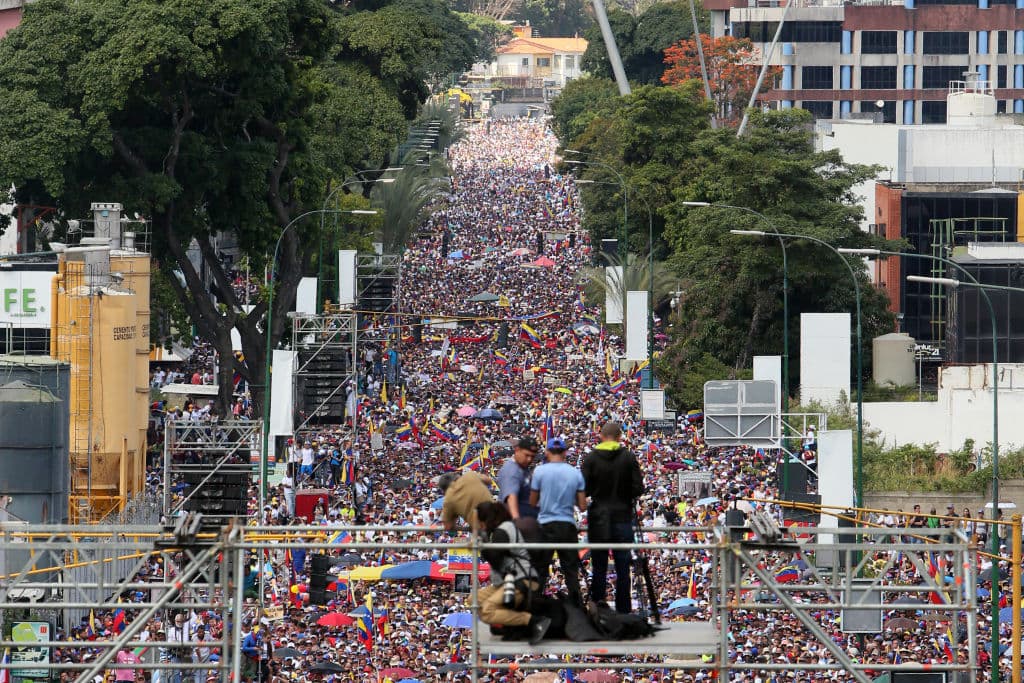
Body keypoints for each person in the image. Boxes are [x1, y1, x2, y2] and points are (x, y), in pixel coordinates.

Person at [581, 421, 644, 614]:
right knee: (623, 565)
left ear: (600, 436)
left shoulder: (591, 458)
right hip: (622, 515)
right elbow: (638, 488)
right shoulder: (628, 457)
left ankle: (598, 608)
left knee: (599, 566)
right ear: (619, 437)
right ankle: (624, 610)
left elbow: (584, 489)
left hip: (599, 515)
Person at [475, 501, 550, 645]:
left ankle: (534, 621)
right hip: (511, 580)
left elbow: (496, 562)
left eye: (480, 521)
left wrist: (483, 544)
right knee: (474, 599)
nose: (479, 525)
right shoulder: (503, 528)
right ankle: (507, 625)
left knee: (487, 611)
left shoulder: (502, 531)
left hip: (523, 580)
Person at [529, 436, 586, 606]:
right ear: (565, 453)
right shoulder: (574, 473)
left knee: (540, 570)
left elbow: (532, 502)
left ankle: (535, 612)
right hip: (567, 525)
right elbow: (582, 505)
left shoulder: (539, 472)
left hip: (545, 524)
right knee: (570, 571)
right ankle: (577, 609)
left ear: (547, 452)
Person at [497, 436, 541, 534]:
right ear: (517, 450)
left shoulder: (523, 468)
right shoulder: (512, 470)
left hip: (528, 519)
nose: (529, 459)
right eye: (526, 455)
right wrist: (517, 521)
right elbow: (511, 497)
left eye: (532, 457)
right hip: (518, 524)